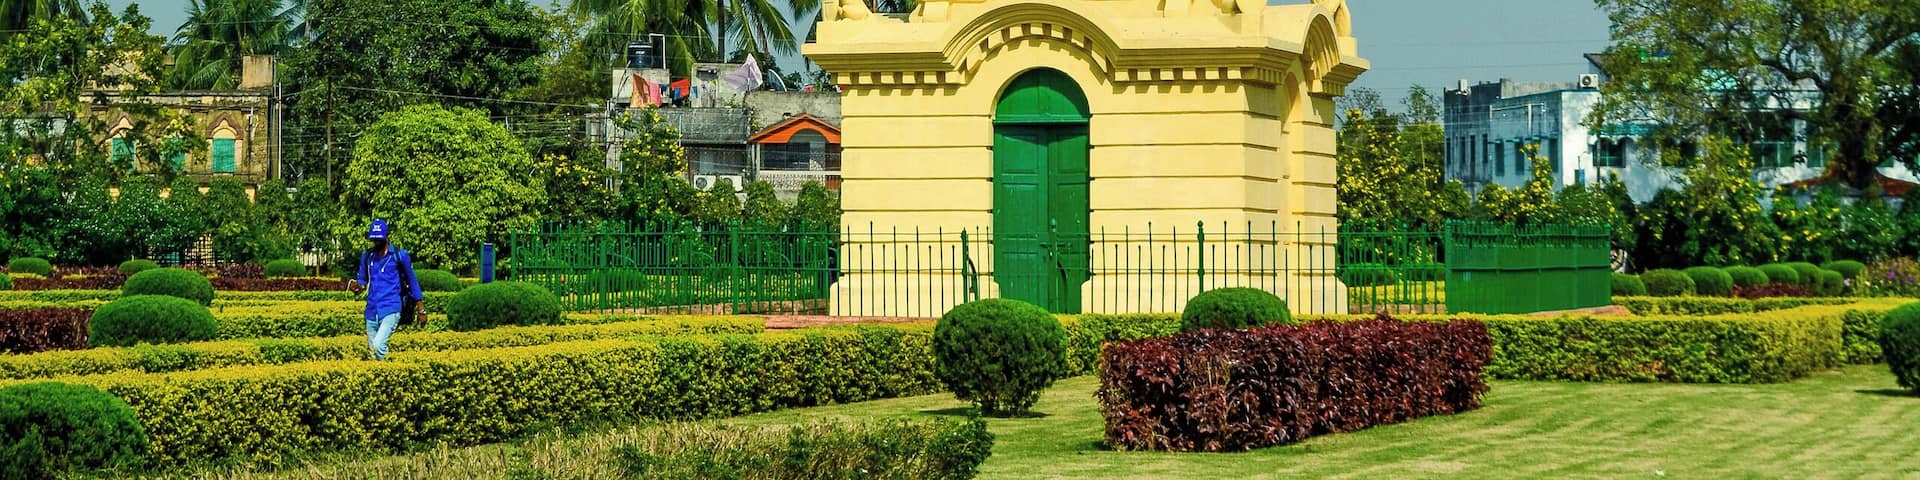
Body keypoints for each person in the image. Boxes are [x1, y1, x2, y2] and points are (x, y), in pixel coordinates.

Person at [348, 219, 422, 360]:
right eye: (374, 239)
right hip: (372, 310)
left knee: (377, 347)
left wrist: (421, 309)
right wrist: (358, 287)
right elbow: (363, 280)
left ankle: (390, 369)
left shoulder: (399, 256)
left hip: (391, 307)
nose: (376, 242)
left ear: (387, 236)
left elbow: (412, 281)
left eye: (379, 239)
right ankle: (385, 371)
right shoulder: (367, 256)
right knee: (373, 353)